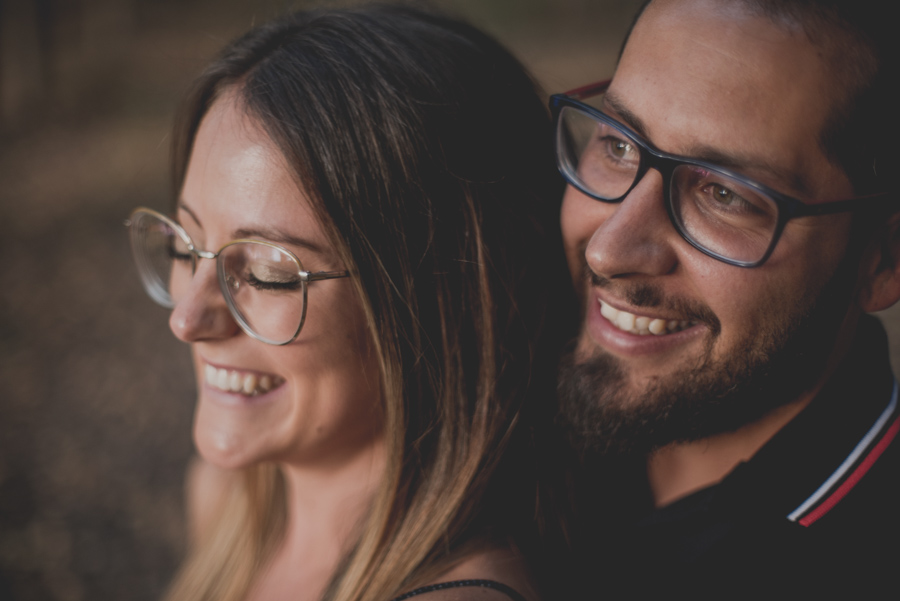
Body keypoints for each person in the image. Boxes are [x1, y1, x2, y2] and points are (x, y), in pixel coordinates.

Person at [126, 6, 573, 601]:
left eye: (267, 273)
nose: (186, 320)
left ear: (446, 301)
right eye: (186, 246)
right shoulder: (225, 501)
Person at [552, 0, 899, 595]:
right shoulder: (501, 379)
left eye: (727, 195)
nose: (608, 250)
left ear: (884, 262)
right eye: (618, 144)